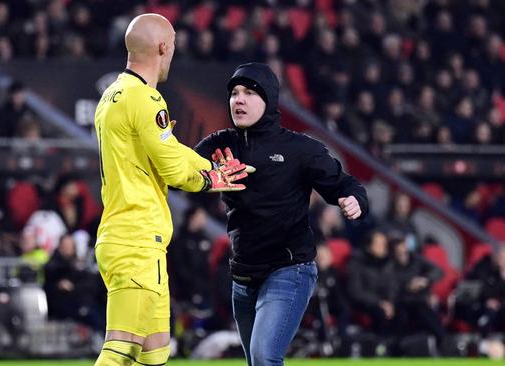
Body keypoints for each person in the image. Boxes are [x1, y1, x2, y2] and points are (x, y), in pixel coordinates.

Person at [93, 14, 252, 366]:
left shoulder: (114, 95)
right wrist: (213, 179)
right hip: (136, 238)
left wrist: (211, 167)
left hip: (132, 236)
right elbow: (174, 169)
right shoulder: (146, 101)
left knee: (155, 353)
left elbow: (171, 152)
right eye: (174, 47)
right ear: (163, 47)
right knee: (120, 349)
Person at [194, 62, 368, 366]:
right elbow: (178, 171)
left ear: (270, 100)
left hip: (288, 269)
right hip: (243, 275)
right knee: (256, 362)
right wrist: (172, 151)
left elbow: (345, 184)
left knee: (264, 357)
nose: (239, 99)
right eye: (234, 93)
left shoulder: (299, 148)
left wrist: (355, 200)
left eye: (249, 92)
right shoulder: (220, 145)